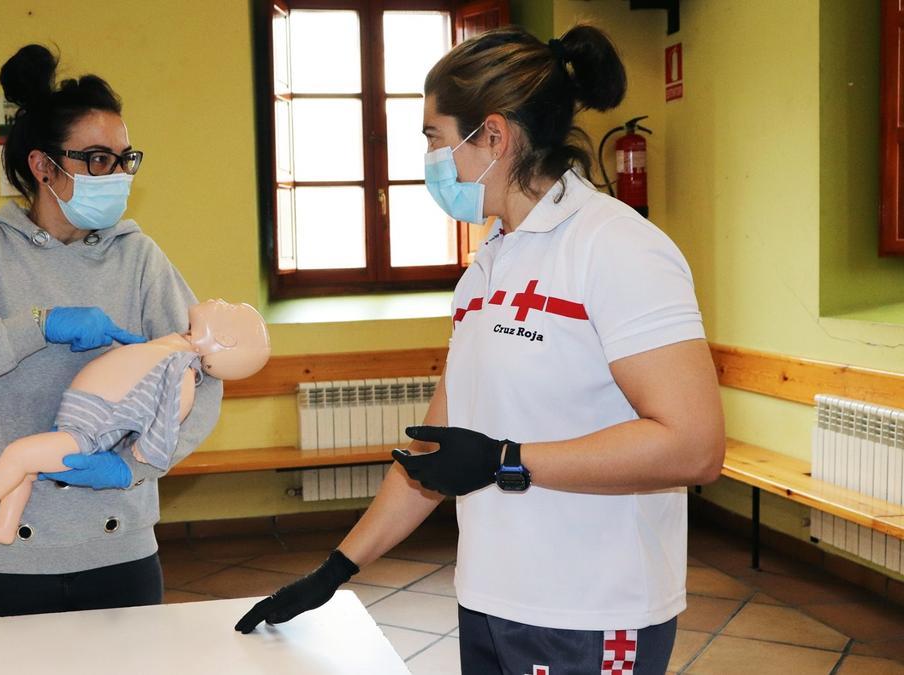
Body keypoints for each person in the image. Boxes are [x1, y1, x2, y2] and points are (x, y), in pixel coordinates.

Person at [236, 24, 725, 674]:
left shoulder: (617, 247)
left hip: (590, 610)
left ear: (493, 136)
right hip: (490, 600)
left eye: (435, 138)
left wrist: (507, 459)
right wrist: (335, 569)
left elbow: (695, 445)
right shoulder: (487, 265)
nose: (431, 159)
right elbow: (436, 456)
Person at [0, 44, 222, 620]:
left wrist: (136, 465)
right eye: (97, 158)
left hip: (121, 555)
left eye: (125, 158)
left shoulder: (140, 259)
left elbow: (205, 381)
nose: (117, 174)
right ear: (45, 167)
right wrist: (33, 328)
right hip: (3, 565)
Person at [0, 300, 270, 545]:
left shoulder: (183, 372)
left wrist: (138, 460)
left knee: (18, 454)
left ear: (225, 338)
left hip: (87, 433)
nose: (218, 301)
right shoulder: (173, 346)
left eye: (227, 308)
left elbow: (170, 419)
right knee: (26, 470)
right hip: (79, 416)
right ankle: (5, 526)